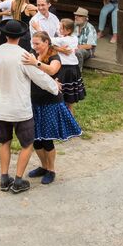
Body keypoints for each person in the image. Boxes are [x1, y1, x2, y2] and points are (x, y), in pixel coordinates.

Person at [0, 18, 60, 194]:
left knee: (4, 142)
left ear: (5, 35)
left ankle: (4, 177)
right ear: (21, 36)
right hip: (20, 108)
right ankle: (19, 180)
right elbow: (39, 77)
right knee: (27, 143)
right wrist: (54, 88)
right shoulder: (24, 55)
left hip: (1, 106)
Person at [20, 31, 82, 186]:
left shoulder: (55, 57)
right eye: (33, 44)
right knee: (36, 139)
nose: (34, 46)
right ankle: (43, 166)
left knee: (47, 139)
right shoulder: (32, 55)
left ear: (46, 42)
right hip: (33, 102)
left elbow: (53, 70)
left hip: (50, 103)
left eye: (38, 44)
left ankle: (51, 170)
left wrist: (36, 63)